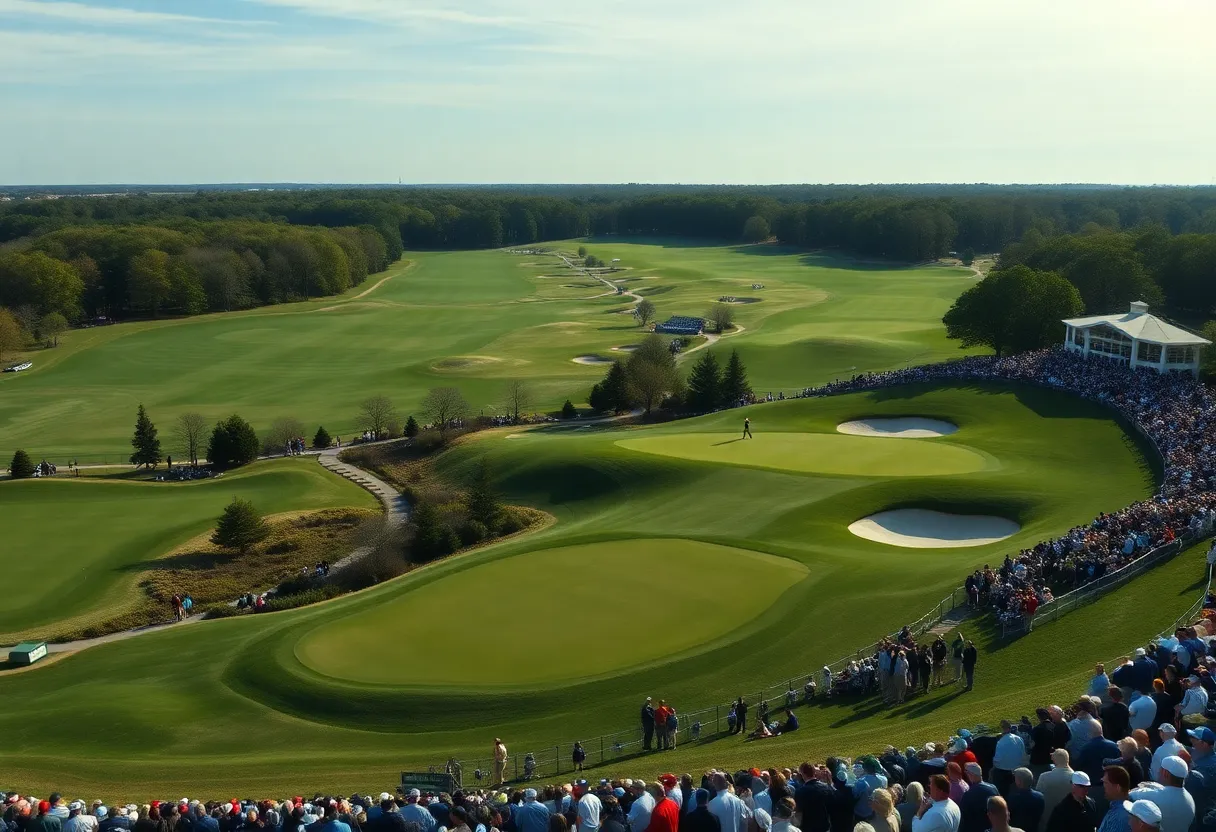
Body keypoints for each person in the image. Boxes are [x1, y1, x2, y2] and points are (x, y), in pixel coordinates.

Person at [1128, 756, 1194, 832]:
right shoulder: (1190, 799)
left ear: (1165, 773)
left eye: (1160, 769)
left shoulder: (1153, 795)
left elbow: (1127, 795)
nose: (1158, 772)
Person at [959, 762, 998, 832]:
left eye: (967, 773)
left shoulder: (969, 794)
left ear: (971, 774)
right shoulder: (993, 788)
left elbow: (963, 817)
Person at [993, 721, 1027, 795]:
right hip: (1017, 768)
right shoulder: (1018, 738)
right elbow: (1023, 753)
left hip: (1004, 771)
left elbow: (997, 760)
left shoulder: (1000, 742)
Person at [1097, 766, 1132, 832]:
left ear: (1118, 787)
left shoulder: (1119, 816)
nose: (1103, 786)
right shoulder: (1117, 810)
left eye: (1106, 783)